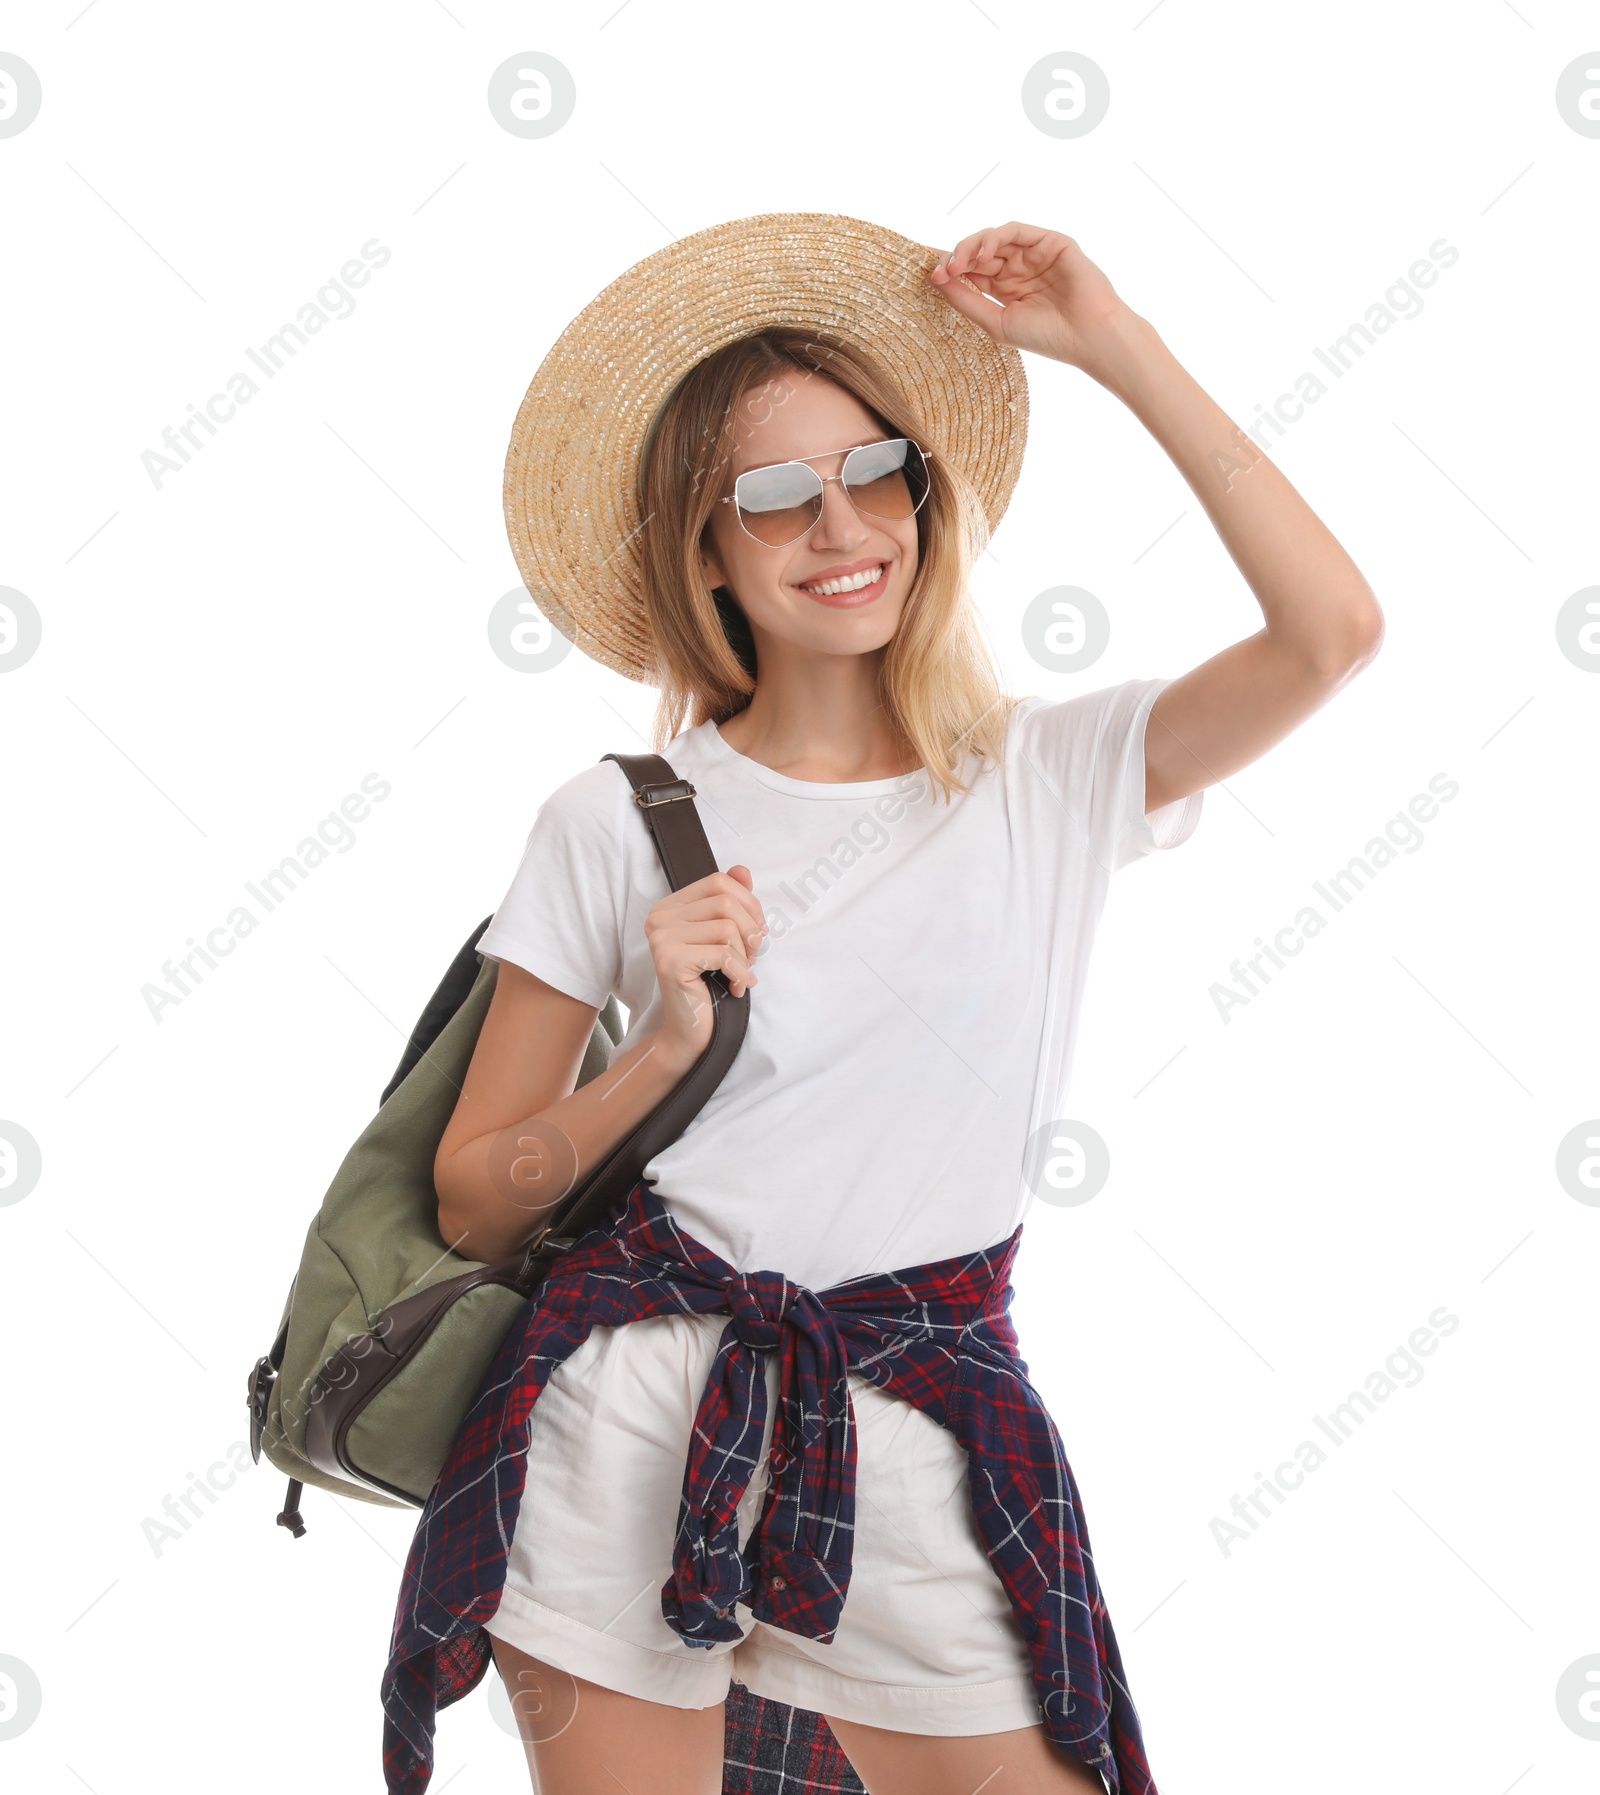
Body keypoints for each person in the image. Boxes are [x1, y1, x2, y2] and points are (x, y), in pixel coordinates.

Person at [382, 215, 1383, 1795]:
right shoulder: (611, 821)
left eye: (875, 472)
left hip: (916, 1425)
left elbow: (1334, 634)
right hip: (630, 1420)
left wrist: (1112, 340)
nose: (839, 525)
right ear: (704, 549)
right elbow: (475, 1194)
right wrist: (662, 1045)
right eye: (772, 496)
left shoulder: (1047, 779)